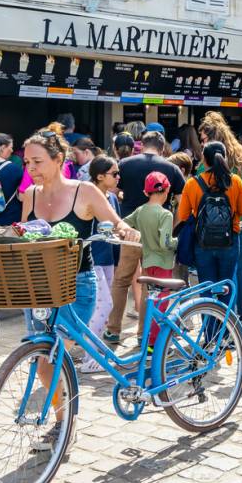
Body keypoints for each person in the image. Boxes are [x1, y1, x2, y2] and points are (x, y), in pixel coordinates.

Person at [21, 129, 139, 447]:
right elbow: (25, 235)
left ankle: (64, 424)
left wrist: (126, 230)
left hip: (77, 284)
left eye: (37, 161)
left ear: (59, 159)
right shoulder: (30, 194)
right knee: (43, 359)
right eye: (27, 162)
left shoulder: (84, 192)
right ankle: (64, 420)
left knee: (55, 352)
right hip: (40, 285)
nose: (31, 168)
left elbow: (116, 221)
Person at [104, 130, 186, 344]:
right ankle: (144, 334)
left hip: (130, 232)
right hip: (157, 237)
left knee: (121, 280)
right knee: (151, 285)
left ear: (142, 144)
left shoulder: (125, 164)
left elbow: (110, 191)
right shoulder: (171, 168)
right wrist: (172, 225)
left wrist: (120, 212)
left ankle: (113, 329)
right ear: (162, 147)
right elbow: (183, 202)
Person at [198, 112, 242, 320]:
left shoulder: (206, 160)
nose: (202, 143)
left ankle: (227, 314)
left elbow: (201, 184)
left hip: (222, 221)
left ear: (209, 137)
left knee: (228, 268)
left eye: (203, 139)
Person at [178, 142, 242, 321]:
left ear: (204, 159)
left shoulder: (193, 183)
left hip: (202, 243)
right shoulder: (234, 181)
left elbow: (183, 214)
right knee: (227, 286)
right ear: (225, 157)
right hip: (230, 240)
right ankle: (226, 336)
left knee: (207, 288)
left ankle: (209, 337)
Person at [124, 172, 178, 349]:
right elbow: (165, 243)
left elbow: (124, 223)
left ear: (146, 192)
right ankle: (155, 344)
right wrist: (177, 242)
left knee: (151, 302)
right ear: (167, 189)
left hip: (146, 263)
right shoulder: (166, 215)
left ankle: (147, 338)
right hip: (163, 264)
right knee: (161, 304)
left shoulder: (141, 211)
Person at [79, 156, 121, 373]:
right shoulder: (88, 198)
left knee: (101, 307)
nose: (118, 177)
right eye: (114, 173)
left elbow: (116, 230)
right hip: (91, 260)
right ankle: (89, 356)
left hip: (107, 259)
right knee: (104, 305)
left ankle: (93, 349)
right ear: (100, 176)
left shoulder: (111, 199)